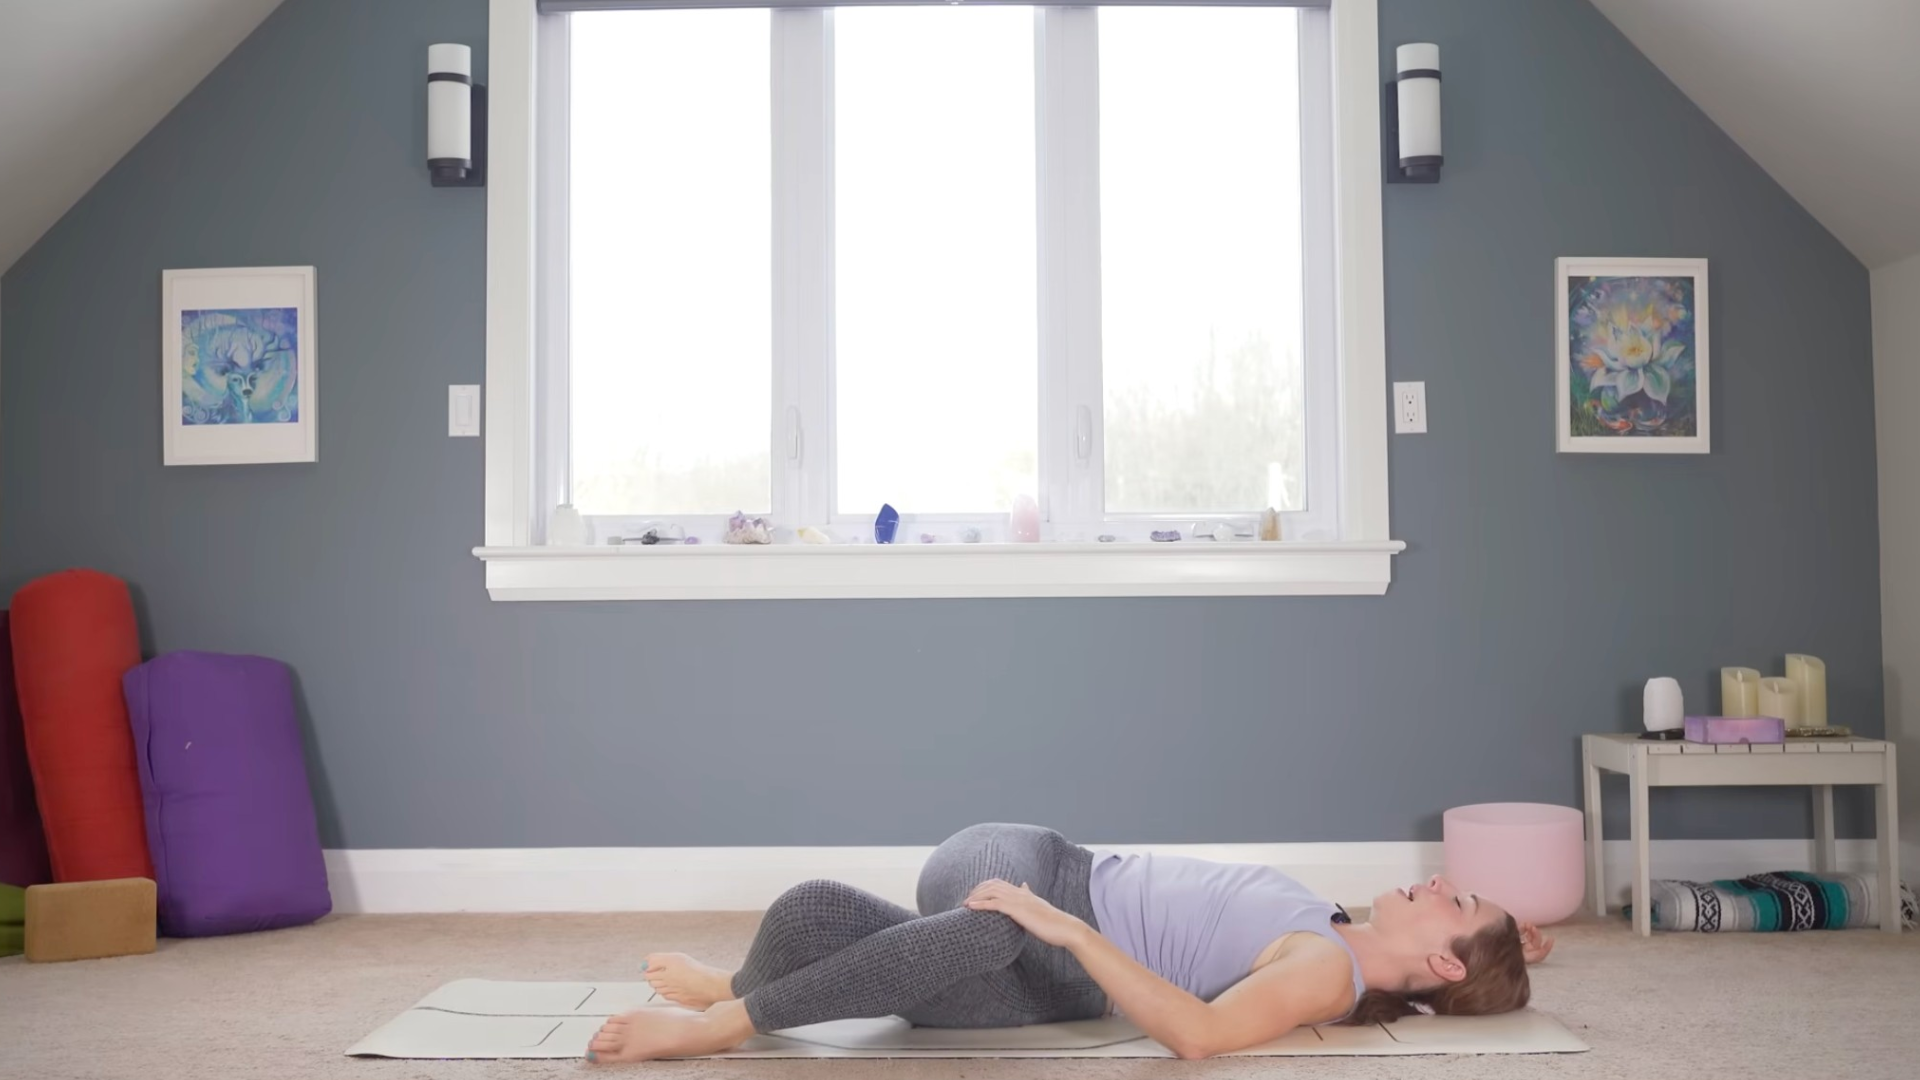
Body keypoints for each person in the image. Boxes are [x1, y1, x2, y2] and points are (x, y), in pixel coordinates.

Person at [586, 823, 1553, 1064]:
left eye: (1454, 897)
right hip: (1035, 874)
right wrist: (1519, 947)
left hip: (1039, 949)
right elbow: (1486, 958)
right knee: (806, 913)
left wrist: (1065, 926)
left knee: (832, 914)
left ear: (1444, 962)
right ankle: (744, 981)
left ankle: (728, 1021)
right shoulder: (1335, 923)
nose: (1436, 880)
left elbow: (1200, 1036)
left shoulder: (1328, 972)